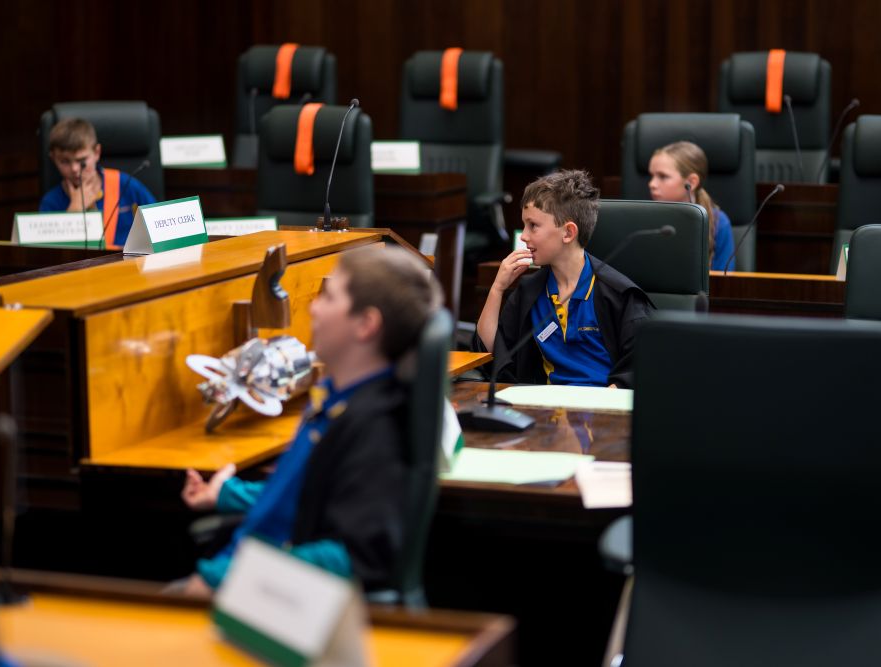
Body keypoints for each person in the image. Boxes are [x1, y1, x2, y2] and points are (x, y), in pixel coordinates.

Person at [177, 246, 443, 596]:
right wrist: (228, 493)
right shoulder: (336, 397)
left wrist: (227, 580)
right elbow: (307, 492)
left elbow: (354, 557)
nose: (314, 307)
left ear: (366, 325)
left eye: (329, 297)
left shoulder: (376, 425)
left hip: (270, 606)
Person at [474, 169, 653, 389]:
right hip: (548, 410)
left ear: (568, 233)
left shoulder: (620, 295)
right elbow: (494, 354)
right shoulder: (530, 292)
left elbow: (640, 367)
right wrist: (497, 289)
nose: (523, 236)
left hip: (605, 408)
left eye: (533, 225)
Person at [40, 117, 156, 248]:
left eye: (81, 160)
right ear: (53, 158)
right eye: (65, 162)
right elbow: (51, 255)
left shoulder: (127, 186)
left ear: (96, 152)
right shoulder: (51, 202)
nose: (74, 169)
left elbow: (158, 228)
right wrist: (75, 210)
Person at [648, 141, 735, 271]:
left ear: (691, 182)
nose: (652, 184)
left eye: (663, 176)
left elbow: (722, 280)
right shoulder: (646, 217)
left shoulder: (719, 222)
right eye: (652, 176)